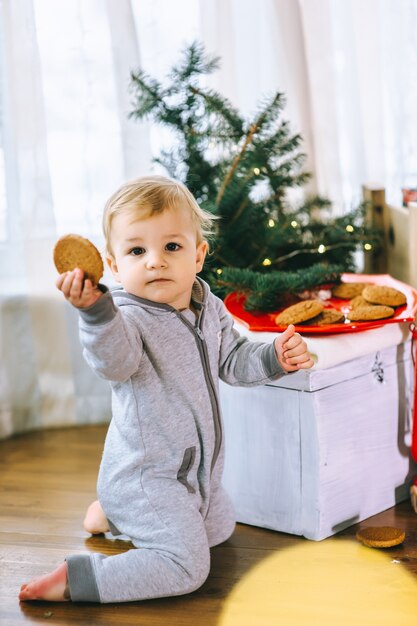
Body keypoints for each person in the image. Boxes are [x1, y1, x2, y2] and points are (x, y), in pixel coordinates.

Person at [19, 175, 314, 603]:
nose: (155, 261)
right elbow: (114, 363)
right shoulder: (124, 319)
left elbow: (231, 361)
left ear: (197, 255)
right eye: (137, 250)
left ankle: (113, 516)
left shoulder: (207, 305)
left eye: (171, 247)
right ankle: (76, 578)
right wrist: (96, 314)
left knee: (220, 528)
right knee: (188, 565)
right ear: (115, 265)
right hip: (148, 474)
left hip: (197, 474)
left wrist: (274, 358)